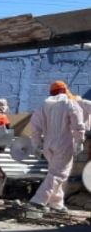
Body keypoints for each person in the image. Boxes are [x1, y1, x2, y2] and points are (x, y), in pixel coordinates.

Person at [28, 81, 85, 213]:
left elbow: (35, 126)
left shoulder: (44, 104)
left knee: (55, 173)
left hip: (48, 144)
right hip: (64, 143)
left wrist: (36, 144)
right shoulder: (70, 103)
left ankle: (56, 203)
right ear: (64, 90)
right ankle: (38, 200)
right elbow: (77, 123)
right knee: (58, 174)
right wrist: (79, 141)